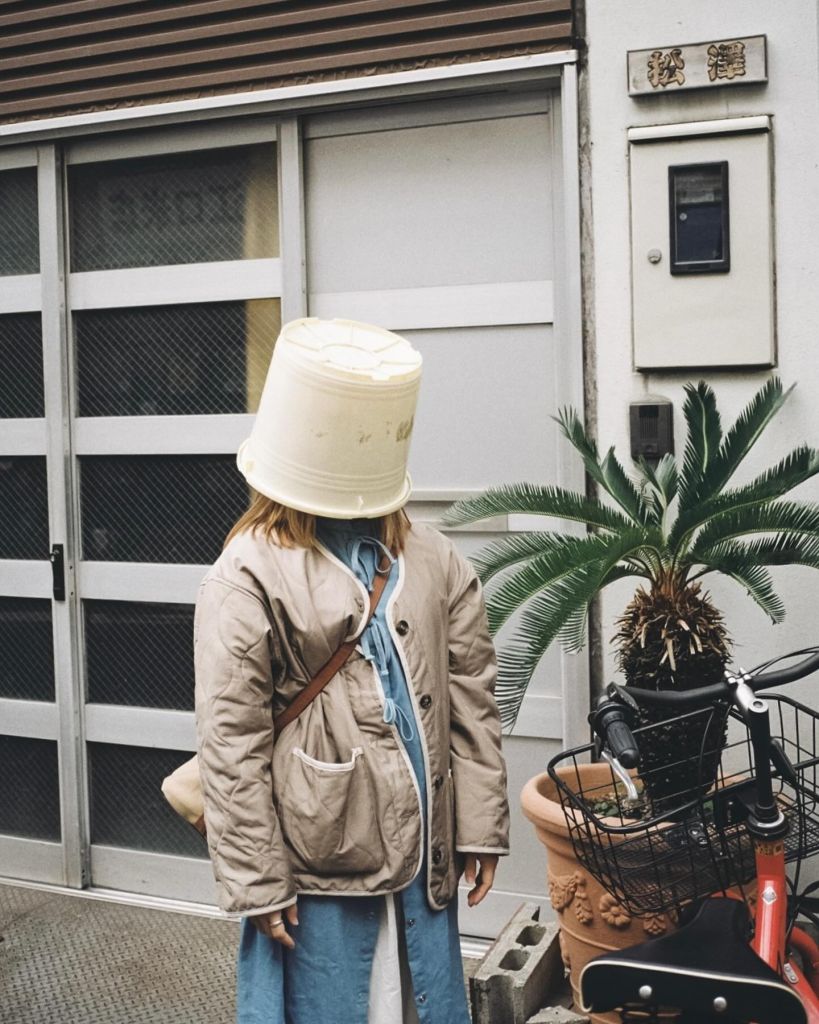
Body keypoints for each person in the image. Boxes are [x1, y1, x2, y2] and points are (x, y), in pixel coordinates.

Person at [193, 317, 510, 1024]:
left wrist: (479, 826)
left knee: (418, 997)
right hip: (315, 866)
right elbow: (231, 741)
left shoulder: (432, 558)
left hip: (421, 852)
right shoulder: (247, 573)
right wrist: (257, 881)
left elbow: (471, 699)